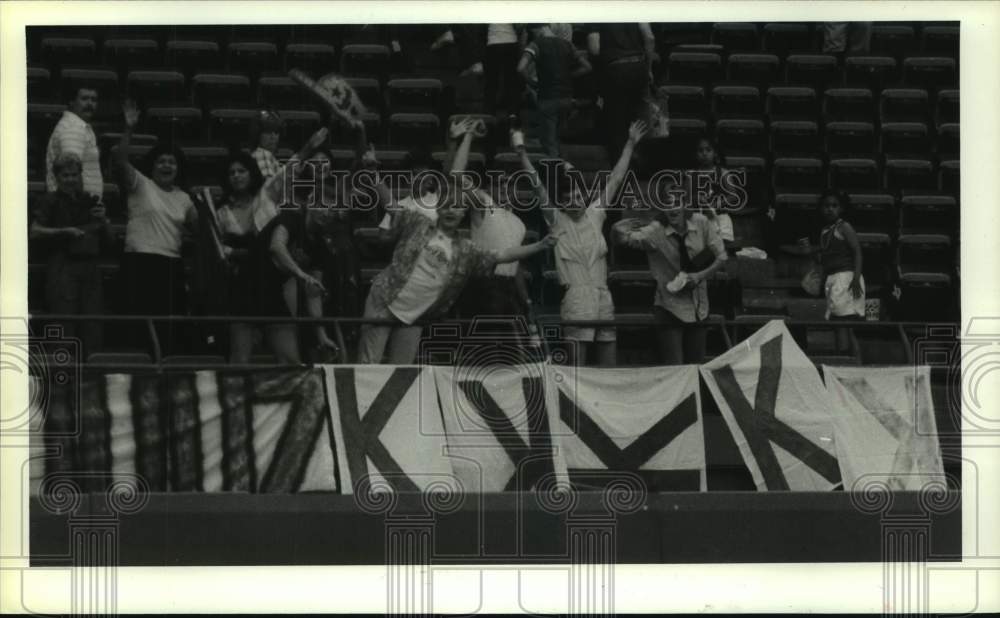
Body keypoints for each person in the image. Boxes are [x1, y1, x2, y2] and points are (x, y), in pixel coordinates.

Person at [356, 121, 558, 365]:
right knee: (367, 368)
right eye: (448, 206)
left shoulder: (465, 249)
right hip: (385, 299)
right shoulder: (420, 222)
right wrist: (373, 175)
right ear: (439, 208)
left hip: (416, 313)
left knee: (401, 374)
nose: (453, 210)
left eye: (458, 206)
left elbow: (503, 255)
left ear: (463, 213)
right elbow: (393, 206)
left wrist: (540, 246)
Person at [529, 119, 649, 367]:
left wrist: (629, 143)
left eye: (577, 194)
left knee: (608, 366)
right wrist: (522, 157)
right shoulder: (557, 221)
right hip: (576, 298)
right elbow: (539, 189)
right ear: (561, 203)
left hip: (603, 296)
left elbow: (616, 179)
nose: (575, 200)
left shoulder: (596, 214)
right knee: (577, 371)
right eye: (568, 198)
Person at [216, 126, 334, 364]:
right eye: (325, 205)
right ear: (310, 203)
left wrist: (322, 334)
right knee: (239, 362)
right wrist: (302, 275)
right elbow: (276, 248)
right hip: (246, 288)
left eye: (334, 210)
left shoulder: (318, 245)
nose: (329, 212)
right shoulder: (290, 218)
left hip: (274, 293)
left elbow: (313, 294)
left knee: (291, 361)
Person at [612, 183, 728, 365]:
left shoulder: (701, 222)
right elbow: (624, 240)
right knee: (674, 367)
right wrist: (616, 232)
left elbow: (721, 256)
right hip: (669, 305)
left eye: (677, 202)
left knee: (696, 366)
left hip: (699, 306)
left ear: (685, 204)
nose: (672, 208)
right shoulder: (655, 230)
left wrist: (700, 276)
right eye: (667, 203)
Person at [115, 100, 197, 357]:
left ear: (178, 168)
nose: (166, 166)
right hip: (139, 263)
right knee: (137, 330)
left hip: (170, 267)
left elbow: (201, 229)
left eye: (171, 162)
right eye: (161, 161)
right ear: (152, 165)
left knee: (167, 332)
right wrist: (129, 128)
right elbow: (119, 159)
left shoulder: (185, 198)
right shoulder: (141, 184)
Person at [30, 153, 113, 356]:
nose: (70, 179)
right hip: (62, 267)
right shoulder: (49, 200)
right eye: (65, 175)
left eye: (74, 175)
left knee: (93, 327)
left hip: (91, 267)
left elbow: (110, 241)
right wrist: (65, 231)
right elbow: (34, 230)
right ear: (57, 177)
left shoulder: (90, 200)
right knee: (63, 327)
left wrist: (105, 221)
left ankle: (92, 381)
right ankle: (61, 383)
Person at [518, 24, 592, 158]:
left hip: (547, 98)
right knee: (557, 139)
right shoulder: (567, 44)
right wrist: (569, 76)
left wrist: (533, 83)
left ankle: (556, 173)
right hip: (566, 98)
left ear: (538, 29)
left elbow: (521, 68)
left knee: (549, 142)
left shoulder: (536, 44)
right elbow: (587, 67)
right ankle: (561, 168)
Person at [587, 23, 658, 161]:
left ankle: (621, 172)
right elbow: (649, 37)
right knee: (641, 121)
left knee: (617, 126)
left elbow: (594, 48)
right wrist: (648, 69)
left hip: (614, 69)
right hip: (639, 66)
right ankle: (642, 167)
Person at [46, 84, 102, 200]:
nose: (90, 104)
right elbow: (71, 174)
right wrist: (82, 206)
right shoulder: (73, 128)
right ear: (71, 102)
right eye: (84, 99)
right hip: (73, 208)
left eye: (93, 100)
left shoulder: (79, 126)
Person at [815, 191, 864, 321]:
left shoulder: (844, 227)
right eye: (826, 206)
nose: (830, 209)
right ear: (821, 208)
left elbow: (857, 252)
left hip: (845, 278)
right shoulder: (825, 230)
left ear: (841, 209)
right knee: (840, 325)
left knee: (842, 323)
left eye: (834, 206)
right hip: (832, 278)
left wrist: (856, 278)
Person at [484, 24, 524, 118]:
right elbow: (520, 25)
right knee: (511, 81)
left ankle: (489, 114)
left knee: (491, 82)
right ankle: (513, 113)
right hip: (511, 41)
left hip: (492, 42)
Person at [251, 110, 284, 179]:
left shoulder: (267, 155)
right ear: (258, 135)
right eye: (268, 132)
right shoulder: (262, 154)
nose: (273, 137)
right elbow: (269, 187)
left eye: (276, 132)